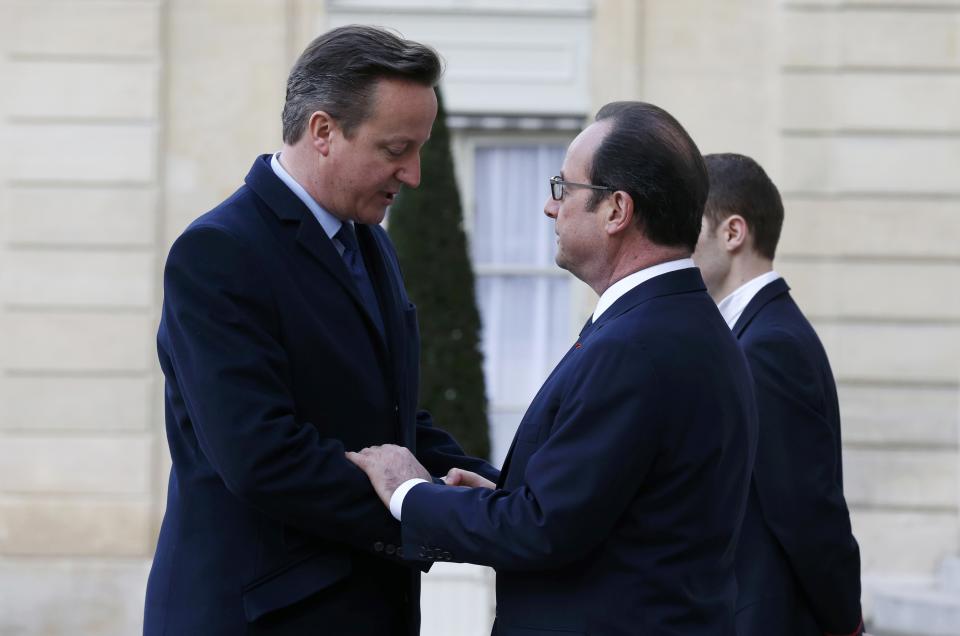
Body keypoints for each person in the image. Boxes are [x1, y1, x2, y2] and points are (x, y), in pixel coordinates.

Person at [348, 102, 759, 636]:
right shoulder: (673, 322)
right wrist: (499, 497)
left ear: (617, 210)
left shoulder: (636, 344)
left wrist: (409, 493)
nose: (549, 207)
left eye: (564, 189)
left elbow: (542, 530)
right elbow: (601, 504)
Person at [143, 25, 496, 636]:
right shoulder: (218, 253)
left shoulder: (369, 240)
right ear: (324, 131)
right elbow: (261, 458)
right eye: (396, 149)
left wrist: (501, 493)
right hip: (258, 617)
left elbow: (389, 419)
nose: (413, 174)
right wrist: (423, 507)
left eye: (420, 149)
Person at [692, 153, 864, 636]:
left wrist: (846, 622)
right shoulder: (753, 334)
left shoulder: (767, 345)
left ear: (732, 233)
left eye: (690, 227)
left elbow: (808, 511)